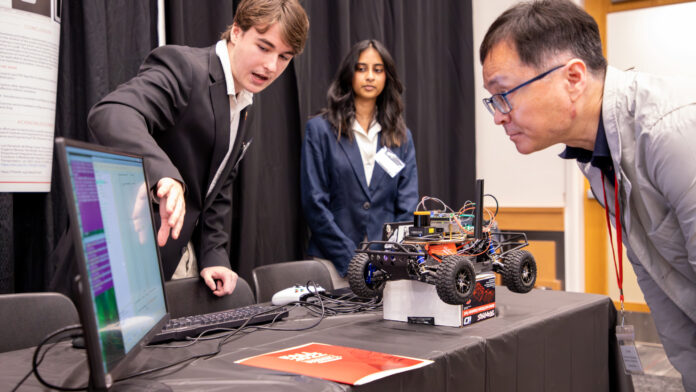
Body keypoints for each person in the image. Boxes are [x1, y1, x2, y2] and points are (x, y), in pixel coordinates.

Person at [480, 0, 696, 389]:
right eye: (492, 100)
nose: (498, 116)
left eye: (505, 93)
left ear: (574, 78)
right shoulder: (595, 153)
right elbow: (658, 280)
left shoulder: (672, 133)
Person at [88, 0, 309, 296]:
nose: (271, 66)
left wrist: (214, 254)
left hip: (175, 266)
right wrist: (163, 176)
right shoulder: (185, 67)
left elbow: (216, 188)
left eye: (284, 56)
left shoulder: (246, 101)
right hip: (120, 259)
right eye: (264, 47)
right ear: (236, 32)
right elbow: (112, 112)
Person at [301, 39, 419, 287]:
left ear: (387, 77)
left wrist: (385, 259)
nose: (370, 76)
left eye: (378, 70)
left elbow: (407, 206)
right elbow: (314, 203)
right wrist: (351, 259)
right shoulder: (320, 130)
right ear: (349, 73)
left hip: (385, 266)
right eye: (361, 68)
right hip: (331, 262)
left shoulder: (401, 137)